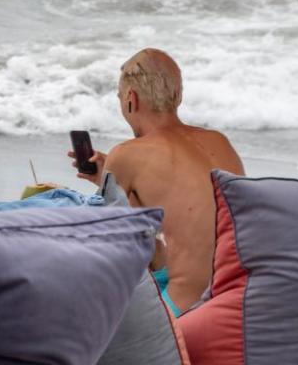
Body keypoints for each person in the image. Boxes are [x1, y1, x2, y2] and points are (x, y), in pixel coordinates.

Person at [72, 48, 244, 317]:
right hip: (237, 292)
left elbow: (106, 245)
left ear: (131, 99)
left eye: (120, 98)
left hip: (186, 306)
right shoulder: (219, 142)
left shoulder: (127, 154)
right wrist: (110, 178)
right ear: (179, 95)